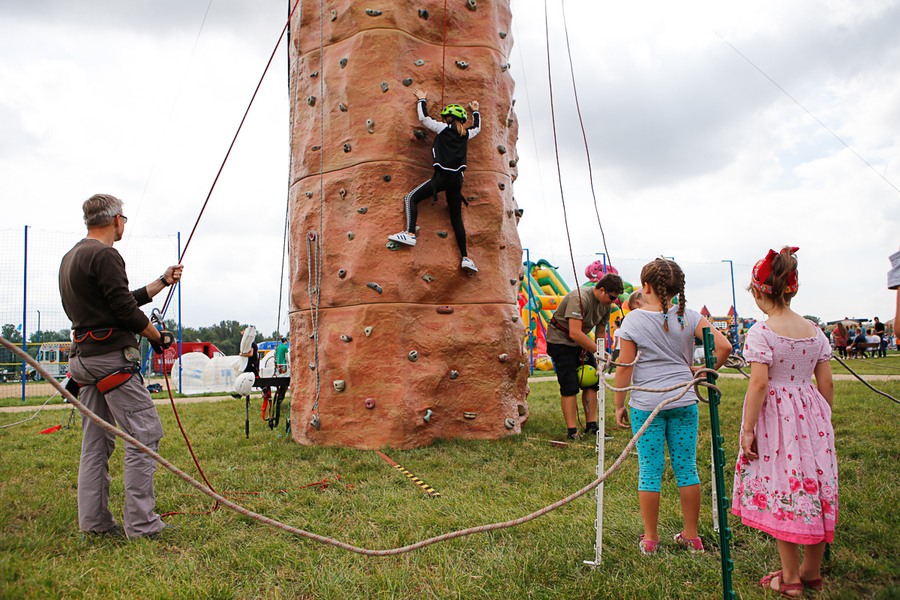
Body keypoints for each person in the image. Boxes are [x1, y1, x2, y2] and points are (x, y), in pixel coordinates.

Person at [59, 193, 182, 540]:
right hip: (111, 361)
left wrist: (161, 281)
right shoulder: (106, 254)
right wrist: (159, 337)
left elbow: (114, 302)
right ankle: (142, 525)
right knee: (144, 435)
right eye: (123, 219)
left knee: (95, 441)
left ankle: (94, 522)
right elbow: (126, 313)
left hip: (83, 360)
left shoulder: (72, 257)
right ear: (116, 221)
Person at [732, 246, 837, 597]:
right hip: (811, 414)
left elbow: (759, 383)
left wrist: (748, 429)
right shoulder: (815, 331)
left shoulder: (762, 332)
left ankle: (790, 578)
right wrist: (824, 417)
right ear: (792, 289)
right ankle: (812, 572)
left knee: (784, 487)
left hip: (776, 420)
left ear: (761, 292)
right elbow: (826, 383)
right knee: (813, 487)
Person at [614, 258, 731, 556]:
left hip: (646, 403)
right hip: (684, 400)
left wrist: (618, 403)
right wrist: (703, 372)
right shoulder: (690, 317)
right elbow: (725, 347)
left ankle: (651, 539)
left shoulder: (634, 319)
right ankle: (691, 536)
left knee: (650, 470)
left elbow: (625, 365)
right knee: (686, 468)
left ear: (647, 287)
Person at [388, 89, 481, 272]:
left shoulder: (443, 129)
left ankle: (409, 233)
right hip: (457, 182)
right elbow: (477, 128)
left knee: (410, 198)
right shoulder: (466, 134)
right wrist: (476, 111)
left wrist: (422, 99)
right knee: (456, 218)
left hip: (442, 178)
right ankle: (465, 258)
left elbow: (425, 119)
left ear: (449, 118)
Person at [547, 274, 624, 440]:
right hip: (560, 341)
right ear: (601, 290)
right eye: (611, 297)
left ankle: (592, 426)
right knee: (570, 385)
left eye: (615, 299)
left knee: (592, 383)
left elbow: (601, 332)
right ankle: (572, 431)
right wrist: (599, 351)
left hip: (580, 342)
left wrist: (600, 356)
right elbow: (574, 332)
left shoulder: (606, 305)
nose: (612, 301)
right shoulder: (579, 298)